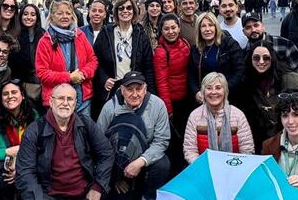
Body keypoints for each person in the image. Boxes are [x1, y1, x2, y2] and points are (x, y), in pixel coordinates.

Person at [15, 83, 114, 200]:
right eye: (61, 98)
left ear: (75, 103)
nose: (65, 103)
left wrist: (98, 187)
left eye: (70, 99)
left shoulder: (86, 124)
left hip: (86, 194)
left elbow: (106, 153)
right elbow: (25, 172)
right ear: (51, 102)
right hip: (49, 196)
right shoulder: (35, 130)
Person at [97, 71, 171, 200]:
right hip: (118, 161)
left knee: (162, 165)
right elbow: (99, 143)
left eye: (139, 89)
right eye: (129, 89)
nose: (135, 94)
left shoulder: (158, 105)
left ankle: (149, 196)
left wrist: (141, 161)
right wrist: (114, 178)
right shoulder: (109, 108)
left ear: (145, 89)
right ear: (122, 90)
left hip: (145, 158)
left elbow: (162, 141)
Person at [240, 41, 298, 152]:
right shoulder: (249, 82)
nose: (261, 62)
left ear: (272, 59)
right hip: (272, 141)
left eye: (266, 58)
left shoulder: (289, 78)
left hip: (297, 137)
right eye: (256, 58)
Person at [93, 0, 156, 115]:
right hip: (111, 89)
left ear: (134, 11)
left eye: (129, 8)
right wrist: (104, 79)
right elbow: (95, 60)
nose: (125, 11)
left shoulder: (141, 34)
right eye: (121, 8)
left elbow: (148, 66)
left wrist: (150, 93)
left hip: (135, 89)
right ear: (116, 12)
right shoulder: (106, 32)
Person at [36, 0, 98, 117]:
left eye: (68, 13)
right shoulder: (45, 41)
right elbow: (42, 73)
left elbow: (93, 60)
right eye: (59, 13)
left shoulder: (79, 35)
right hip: (57, 101)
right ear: (52, 16)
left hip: (82, 99)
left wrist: (83, 74)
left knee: (82, 133)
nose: (65, 16)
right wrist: (68, 77)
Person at [183, 72, 254, 164]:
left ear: (225, 91)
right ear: (203, 92)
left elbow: (247, 149)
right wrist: (202, 166)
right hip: (204, 167)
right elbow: (190, 150)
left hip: (234, 166)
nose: (213, 92)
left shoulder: (238, 115)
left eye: (218, 88)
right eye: (209, 88)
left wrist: (235, 166)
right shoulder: (195, 116)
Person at [152, 13, 192, 176]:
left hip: (186, 98)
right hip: (172, 102)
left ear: (179, 28)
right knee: (175, 141)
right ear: (161, 31)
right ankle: (175, 172)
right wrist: (168, 109)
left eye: (173, 27)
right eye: (166, 29)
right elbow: (161, 81)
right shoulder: (161, 52)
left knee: (187, 137)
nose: (170, 31)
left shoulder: (185, 44)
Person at [241, 12, 298, 87]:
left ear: (262, 26)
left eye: (256, 25)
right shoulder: (244, 54)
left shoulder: (283, 44)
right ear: (244, 32)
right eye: (248, 28)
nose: (253, 30)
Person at [188, 12, 244, 103]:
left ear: (216, 27)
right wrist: (196, 92)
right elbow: (191, 74)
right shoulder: (195, 49)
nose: (207, 29)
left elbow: (240, 71)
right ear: (198, 29)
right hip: (205, 98)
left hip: (229, 96)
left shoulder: (229, 44)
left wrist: (223, 89)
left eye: (211, 25)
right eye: (203, 26)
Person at [15, 3, 44, 103]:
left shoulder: (43, 34)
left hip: (39, 84)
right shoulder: (15, 35)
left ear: (37, 17)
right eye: (25, 14)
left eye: (32, 14)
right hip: (19, 83)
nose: (29, 17)